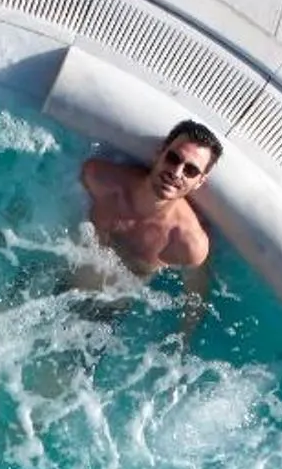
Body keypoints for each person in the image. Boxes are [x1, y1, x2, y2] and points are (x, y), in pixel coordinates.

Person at [78, 118, 222, 335]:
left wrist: (182, 341)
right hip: (52, 282)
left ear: (200, 181)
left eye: (190, 170)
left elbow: (196, 296)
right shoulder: (102, 180)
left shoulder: (187, 242)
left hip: (100, 320)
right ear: (160, 153)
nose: (176, 172)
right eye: (174, 158)